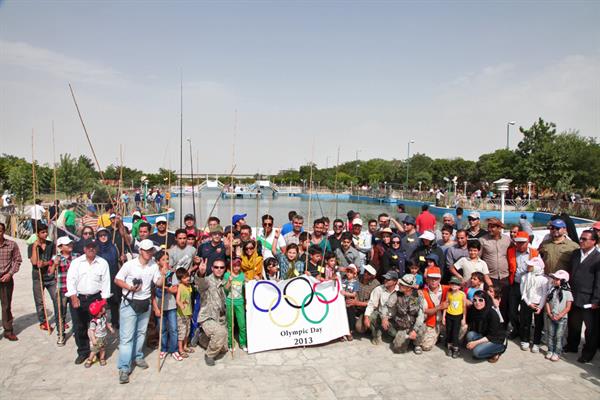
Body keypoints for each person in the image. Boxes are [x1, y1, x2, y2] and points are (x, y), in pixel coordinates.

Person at [114, 239, 166, 384]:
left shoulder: (154, 266)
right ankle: (124, 367)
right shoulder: (129, 265)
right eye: (147, 250)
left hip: (145, 303)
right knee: (126, 337)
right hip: (129, 303)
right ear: (141, 250)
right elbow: (117, 280)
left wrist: (163, 274)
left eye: (151, 250)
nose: (150, 253)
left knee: (141, 333)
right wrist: (129, 287)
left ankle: (137, 356)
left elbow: (158, 283)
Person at [65, 240, 111, 364]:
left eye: (94, 247)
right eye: (89, 247)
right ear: (84, 249)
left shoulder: (102, 263)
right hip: (79, 297)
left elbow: (106, 282)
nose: (91, 249)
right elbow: (71, 280)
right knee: (79, 326)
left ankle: (96, 352)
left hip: (95, 298)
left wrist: (104, 301)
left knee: (96, 327)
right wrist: (73, 296)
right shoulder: (76, 262)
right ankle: (83, 352)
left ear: (97, 248)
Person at [565, 230, 600, 363]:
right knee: (573, 324)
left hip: (589, 299)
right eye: (581, 238)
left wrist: (596, 300)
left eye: (585, 239)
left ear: (594, 241)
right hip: (573, 296)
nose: (581, 241)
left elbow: (598, 281)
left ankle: (588, 353)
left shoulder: (597, 258)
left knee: (590, 329)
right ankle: (572, 346)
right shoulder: (575, 254)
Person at [382, 273, 426, 354]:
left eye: (402, 284)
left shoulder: (419, 296)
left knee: (422, 327)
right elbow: (386, 306)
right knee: (398, 349)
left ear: (409, 288)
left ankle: (417, 344)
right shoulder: (396, 295)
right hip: (401, 326)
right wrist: (384, 317)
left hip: (414, 325)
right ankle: (404, 338)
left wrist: (414, 330)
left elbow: (421, 315)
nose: (399, 285)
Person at [506, 231, 539, 338]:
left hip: (528, 287)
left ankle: (524, 333)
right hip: (515, 284)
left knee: (526, 312)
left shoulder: (535, 253)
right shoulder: (510, 251)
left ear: (528, 241)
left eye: (522, 242)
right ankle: (516, 328)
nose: (520, 245)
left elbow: (540, 268)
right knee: (512, 311)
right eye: (518, 242)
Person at [196, 258, 228, 366]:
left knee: (224, 349)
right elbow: (201, 284)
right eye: (216, 267)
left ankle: (201, 337)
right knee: (220, 334)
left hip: (220, 318)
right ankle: (209, 355)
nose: (219, 269)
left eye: (221, 267)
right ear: (212, 268)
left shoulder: (223, 281)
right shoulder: (208, 280)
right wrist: (201, 273)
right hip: (208, 317)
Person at [479, 218, 511, 323]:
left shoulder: (507, 240)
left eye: (492, 227)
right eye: (488, 226)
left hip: (504, 278)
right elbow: (478, 259)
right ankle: (490, 327)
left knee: (504, 304)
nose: (489, 229)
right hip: (490, 278)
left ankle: (503, 327)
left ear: (499, 228)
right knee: (490, 303)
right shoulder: (483, 240)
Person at [28, 223, 59, 332]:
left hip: (49, 277)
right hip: (38, 277)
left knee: (56, 298)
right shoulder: (32, 246)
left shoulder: (51, 245)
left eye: (46, 232)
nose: (45, 234)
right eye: (43, 232)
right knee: (40, 301)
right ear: (37, 234)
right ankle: (43, 322)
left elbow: (54, 259)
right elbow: (34, 262)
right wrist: (35, 247)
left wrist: (49, 265)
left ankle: (59, 320)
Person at [151, 250, 179, 361]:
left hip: (171, 305)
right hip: (159, 305)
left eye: (167, 259)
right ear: (158, 262)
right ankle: (163, 349)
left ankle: (174, 349)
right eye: (163, 259)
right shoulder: (154, 273)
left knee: (173, 329)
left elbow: (175, 289)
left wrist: (166, 288)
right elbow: (152, 293)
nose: (166, 261)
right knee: (162, 329)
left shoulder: (172, 273)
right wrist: (155, 307)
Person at [465, 290, 506, 362]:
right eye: (475, 300)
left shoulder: (492, 314)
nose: (477, 303)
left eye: (481, 300)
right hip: (484, 336)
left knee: (476, 352)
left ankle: (498, 351)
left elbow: (492, 335)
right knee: (470, 335)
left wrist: (475, 343)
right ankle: (484, 348)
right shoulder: (474, 310)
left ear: (486, 301)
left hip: (496, 339)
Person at [519, 256, 548, 353]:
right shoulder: (524, 277)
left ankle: (536, 342)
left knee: (538, 324)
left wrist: (540, 307)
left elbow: (544, 294)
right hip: (527, 303)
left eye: (530, 266)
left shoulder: (544, 280)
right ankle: (525, 339)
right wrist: (529, 303)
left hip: (538, 304)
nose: (528, 266)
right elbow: (523, 292)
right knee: (525, 322)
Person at [363, 270, 398, 345]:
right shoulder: (378, 289)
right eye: (385, 278)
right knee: (371, 316)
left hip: (395, 317)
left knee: (395, 334)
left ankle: (391, 334)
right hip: (381, 315)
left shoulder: (400, 290)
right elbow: (371, 304)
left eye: (388, 279)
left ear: (395, 281)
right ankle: (376, 335)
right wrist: (366, 317)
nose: (385, 280)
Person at [545, 269, 573, 362]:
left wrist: (560, 315)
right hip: (551, 316)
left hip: (561, 318)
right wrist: (549, 313)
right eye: (554, 279)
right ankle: (550, 350)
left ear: (563, 281)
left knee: (559, 336)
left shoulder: (567, 292)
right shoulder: (551, 290)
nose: (554, 281)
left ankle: (557, 352)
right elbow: (547, 302)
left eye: (557, 279)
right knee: (550, 334)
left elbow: (568, 307)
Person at [0, 222, 22, 341]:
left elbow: (17, 260)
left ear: (3, 232)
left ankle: (8, 330)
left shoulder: (11, 244)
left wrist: (10, 274)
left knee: (6, 305)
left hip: (6, 278)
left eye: (0, 231)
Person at [53, 236, 74, 345]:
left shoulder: (76, 257)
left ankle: (77, 330)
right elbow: (50, 273)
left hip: (74, 289)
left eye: (70, 243)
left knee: (76, 311)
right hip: (62, 289)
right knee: (61, 312)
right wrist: (54, 265)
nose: (70, 245)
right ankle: (61, 333)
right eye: (67, 244)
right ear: (60, 247)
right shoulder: (56, 258)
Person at [421, 266, 448, 351]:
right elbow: (426, 311)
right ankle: (437, 336)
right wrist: (440, 307)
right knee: (425, 347)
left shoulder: (448, 288)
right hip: (432, 322)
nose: (433, 281)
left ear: (440, 279)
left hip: (446, 321)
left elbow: (461, 292)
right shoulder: (422, 292)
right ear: (427, 279)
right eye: (431, 278)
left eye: (436, 278)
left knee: (463, 326)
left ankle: (445, 338)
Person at [224, 258, 247, 351]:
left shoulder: (242, 275)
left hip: (239, 302)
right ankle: (230, 344)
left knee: (242, 324)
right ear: (231, 266)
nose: (236, 268)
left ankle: (243, 343)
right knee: (230, 324)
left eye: (238, 266)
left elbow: (248, 284)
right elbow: (225, 289)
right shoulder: (227, 275)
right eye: (234, 266)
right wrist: (229, 281)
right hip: (230, 301)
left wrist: (255, 279)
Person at [85, 299, 114, 368]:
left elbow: (106, 323)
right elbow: (91, 331)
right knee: (94, 350)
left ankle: (102, 358)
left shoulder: (103, 317)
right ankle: (90, 359)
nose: (104, 307)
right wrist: (93, 339)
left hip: (103, 336)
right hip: (98, 338)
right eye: (102, 307)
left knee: (102, 349)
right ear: (99, 312)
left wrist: (110, 328)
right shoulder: (94, 322)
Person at [443, 276, 467, 358]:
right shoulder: (449, 293)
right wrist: (443, 316)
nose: (454, 286)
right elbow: (446, 304)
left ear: (460, 286)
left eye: (456, 284)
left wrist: (464, 318)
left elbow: (464, 307)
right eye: (452, 284)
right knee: (449, 331)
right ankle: (449, 347)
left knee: (455, 332)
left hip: (458, 316)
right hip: (449, 315)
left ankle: (456, 348)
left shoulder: (462, 294)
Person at [176, 267, 193, 359]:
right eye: (184, 278)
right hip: (181, 314)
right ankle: (180, 349)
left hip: (188, 313)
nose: (187, 279)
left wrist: (190, 312)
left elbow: (189, 300)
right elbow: (177, 299)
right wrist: (181, 305)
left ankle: (185, 346)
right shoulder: (180, 286)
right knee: (182, 332)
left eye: (187, 276)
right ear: (180, 279)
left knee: (187, 331)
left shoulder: (188, 286)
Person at [341, 265, 360, 341]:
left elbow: (354, 294)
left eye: (351, 272)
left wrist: (345, 293)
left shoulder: (356, 283)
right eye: (347, 272)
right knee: (343, 318)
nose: (348, 273)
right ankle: (342, 333)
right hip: (342, 304)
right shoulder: (343, 281)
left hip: (350, 304)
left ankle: (349, 333)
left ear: (354, 274)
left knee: (350, 319)